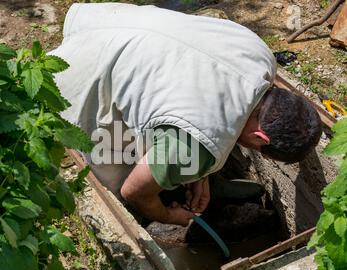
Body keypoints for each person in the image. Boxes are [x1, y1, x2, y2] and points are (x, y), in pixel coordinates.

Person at [49, 3, 322, 226]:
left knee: (169, 144)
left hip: (111, 24)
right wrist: (166, 216)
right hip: (74, 78)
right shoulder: (198, 145)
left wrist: (197, 173)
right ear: (261, 137)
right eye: (260, 151)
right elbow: (133, 191)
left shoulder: (261, 56)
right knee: (115, 175)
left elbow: (201, 101)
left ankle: (174, 175)